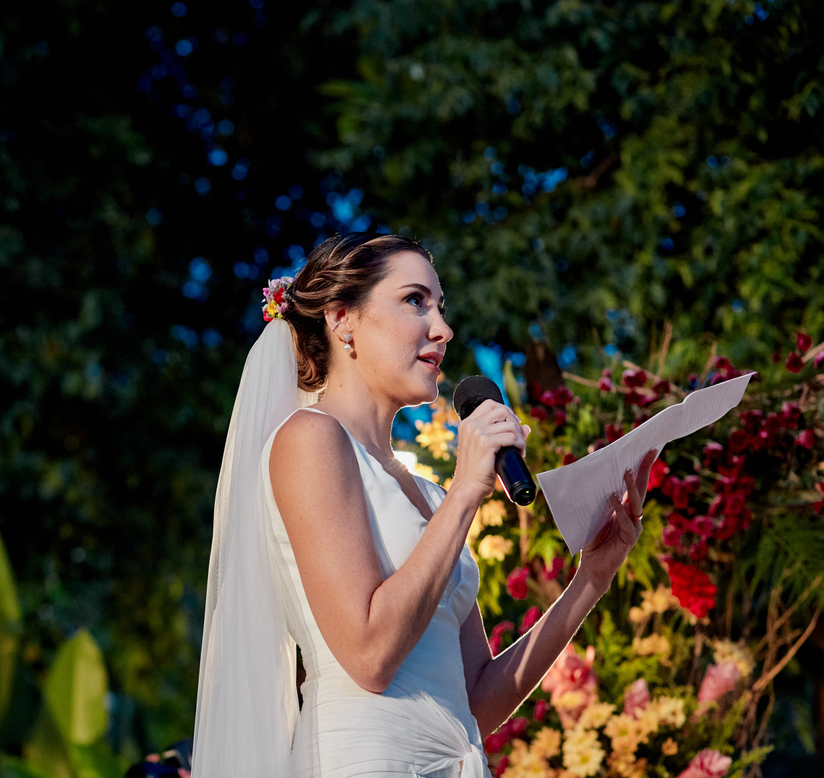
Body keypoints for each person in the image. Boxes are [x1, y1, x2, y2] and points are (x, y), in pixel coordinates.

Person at [192, 233, 657, 778]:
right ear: (343, 319)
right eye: (415, 300)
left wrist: (591, 580)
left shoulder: (430, 492)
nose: (443, 329)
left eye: (441, 306)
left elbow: (476, 699)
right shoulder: (310, 439)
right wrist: (466, 492)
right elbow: (370, 656)